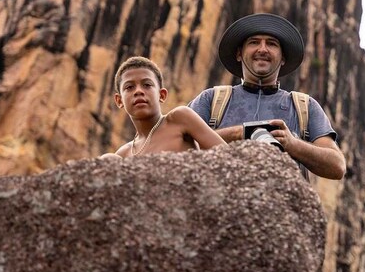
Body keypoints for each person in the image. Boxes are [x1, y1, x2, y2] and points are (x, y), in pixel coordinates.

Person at [188, 13, 346, 180]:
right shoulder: (212, 99)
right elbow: (178, 148)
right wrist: (240, 133)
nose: (262, 49)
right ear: (239, 54)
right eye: (254, 42)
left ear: (283, 57)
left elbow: (337, 166)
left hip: (283, 204)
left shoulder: (304, 106)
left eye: (271, 44)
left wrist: (292, 144)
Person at [108, 56, 226, 157]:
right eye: (129, 87)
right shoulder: (123, 154)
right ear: (119, 101)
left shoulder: (179, 119)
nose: (138, 91)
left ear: (162, 95)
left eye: (147, 85)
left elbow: (228, 157)